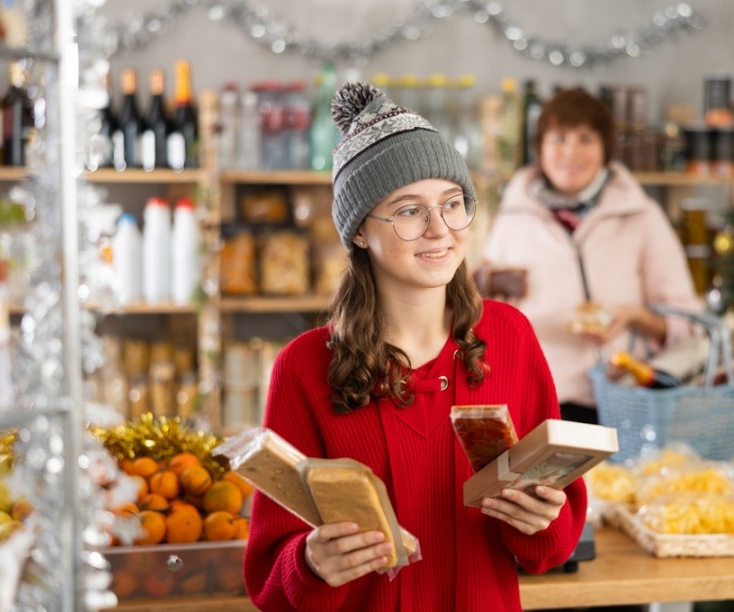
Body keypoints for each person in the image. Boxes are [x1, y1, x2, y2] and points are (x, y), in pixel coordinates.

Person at [244, 82, 587, 611]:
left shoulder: (510, 337)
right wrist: (310, 564)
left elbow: (550, 547)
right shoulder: (305, 368)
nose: (439, 230)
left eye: (453, 204)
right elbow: (272, 579)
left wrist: (543, 518)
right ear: (360, 231)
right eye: (409, 211)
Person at [481, 87, 702, 423]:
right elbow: (487, 311)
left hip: (623, 400)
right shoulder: (513, 215)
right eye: (558, 139)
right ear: (539, 148)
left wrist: (630, 316)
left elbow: (686, 322)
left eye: (585, 139)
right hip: (531, 401)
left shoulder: (642, 216)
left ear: (605, 149)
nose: (570, 152)